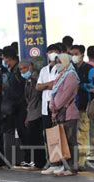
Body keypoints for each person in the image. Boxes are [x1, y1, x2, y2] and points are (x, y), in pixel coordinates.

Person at [49, 54, 80, 176]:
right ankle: (65, 165)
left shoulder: (71, 75)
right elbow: (53, 93)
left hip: (68, 112)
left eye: (60, 61)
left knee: (71, 141)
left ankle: (72, 167)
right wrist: (53, 107)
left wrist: (54, 107)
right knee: (63, 141)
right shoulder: (60, 75)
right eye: (56, 61)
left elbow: (64, 95)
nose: (57, 64)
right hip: (59, 113)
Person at [1, 46, 28, 168]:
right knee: (20, 133)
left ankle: (28, 158)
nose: (3, 61)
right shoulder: (12, 70)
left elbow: (20, 90)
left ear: (8, 58)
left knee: (24, 132)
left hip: (20, 106)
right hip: (15, 107)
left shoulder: (18, 71)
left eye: (4, 58)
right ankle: (25, 158)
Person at [37, 44, 60, 173]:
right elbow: (38, 87)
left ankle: (59, 162)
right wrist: (48, 85)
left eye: (54, 51)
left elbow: (57, 85)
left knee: (58, 134)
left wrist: (49, 85)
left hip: (57, 104)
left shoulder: (62, 68)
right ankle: (52, 162)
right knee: (48, 136)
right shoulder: (44, 70)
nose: (52, 54)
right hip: (45, 106)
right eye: (50, 52)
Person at [71, 45, 94, 170]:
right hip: (71, 107)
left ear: (82, 54)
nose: (74, 56)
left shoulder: (89, 69)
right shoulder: (70, 68)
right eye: (72, 54)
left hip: (84, 106)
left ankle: (81, 162)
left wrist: (81, 86)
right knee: (73, 136)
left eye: (76, 53)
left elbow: (93, 87)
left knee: (83, 135)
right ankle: (73, 160)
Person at [20, 60, 46, 170]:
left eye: (24, 68)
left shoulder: (35, 79)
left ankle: (39, 162)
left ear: (30, 66)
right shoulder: (29, 80)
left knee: (36, 138)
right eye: (21, 69)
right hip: (33, 111)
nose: (23, 71)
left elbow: (33, 98)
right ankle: (37, 162)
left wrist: (29, 115)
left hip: (36, 112)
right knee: (34, 138)